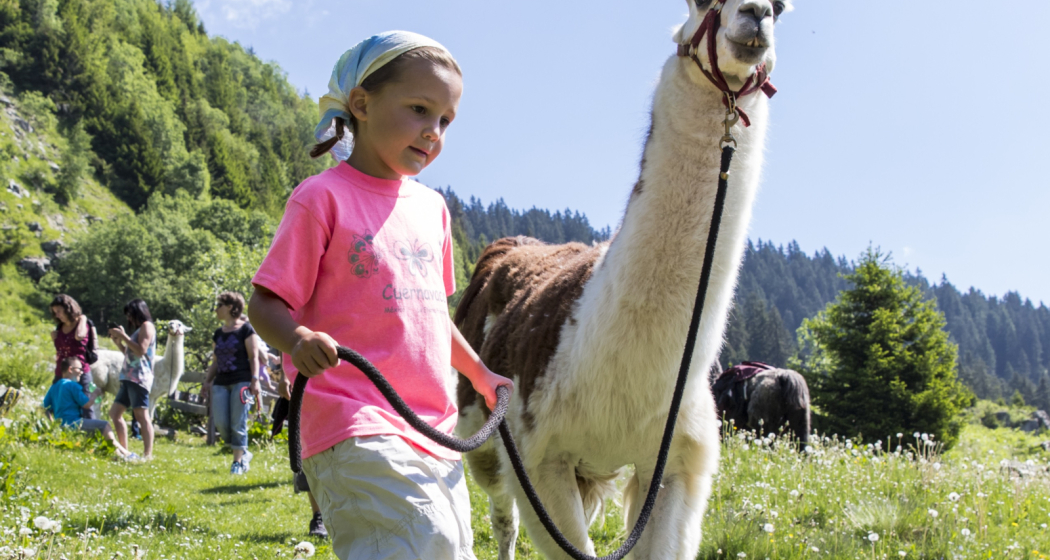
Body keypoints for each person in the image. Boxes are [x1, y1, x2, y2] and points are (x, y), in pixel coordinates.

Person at [248, 31, 514, 559]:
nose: (433, 132)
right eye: (419, 109)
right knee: (422, 542)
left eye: (445, 120)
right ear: (363, 104)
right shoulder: (321, 198)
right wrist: (297, 338)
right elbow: (265, 304)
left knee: (453, 549)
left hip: (430, 427)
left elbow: (432, 317)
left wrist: (479, 373)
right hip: (351, 419)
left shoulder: (433, 209)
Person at [269, 355, 327, 538]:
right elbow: (287, 328)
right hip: (308, 379)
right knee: (310, 448)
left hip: (351, 379)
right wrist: (285, 376)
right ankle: (319, 517)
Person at [203, 291, 261, 475]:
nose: (216, 309)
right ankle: (243, 452)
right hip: (221, 383)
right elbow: (215, 361)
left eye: (219, 305)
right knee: (221, 424)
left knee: (239, 422)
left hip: (242, 382)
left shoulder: (246, 330)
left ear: (230, 307)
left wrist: (255, 380)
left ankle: (237, 463)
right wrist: (207, 381)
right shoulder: (218, 333)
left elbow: (254, 357)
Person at [42, 356, 135, 459]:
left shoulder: (55, 386)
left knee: (97, 430)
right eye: (79, 369)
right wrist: (95, 394)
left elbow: (44, 408)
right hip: (74, 423)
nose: (82, 372)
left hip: (62, 426)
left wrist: (53, 425)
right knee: (104, 425)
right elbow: (86, 404)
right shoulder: (73, 386)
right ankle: (123, 454)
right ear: (70, 369)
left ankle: (120, 454)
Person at [108, 299, 157, 460]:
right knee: (115, 414)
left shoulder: (147, 326)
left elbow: (141, 350)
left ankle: (147, 454)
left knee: (142, 416)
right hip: (129, 377)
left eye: (130, 314)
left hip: (139, 378)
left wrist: (123, 336)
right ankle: (125, 452)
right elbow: (132, 355)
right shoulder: (138, 329)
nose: (129, 318)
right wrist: (119, 343)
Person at [49, 294, 99, 419]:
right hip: (61, 371)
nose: (57, 315)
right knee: (55, 402)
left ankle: (90, 434)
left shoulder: (82, 323)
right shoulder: (59, 327)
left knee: (85, 405)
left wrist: (82, 317)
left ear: (68, 308)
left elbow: (79, 336)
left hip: (79, 371)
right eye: (55, 312)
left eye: (59, 311)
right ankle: (56, 431)